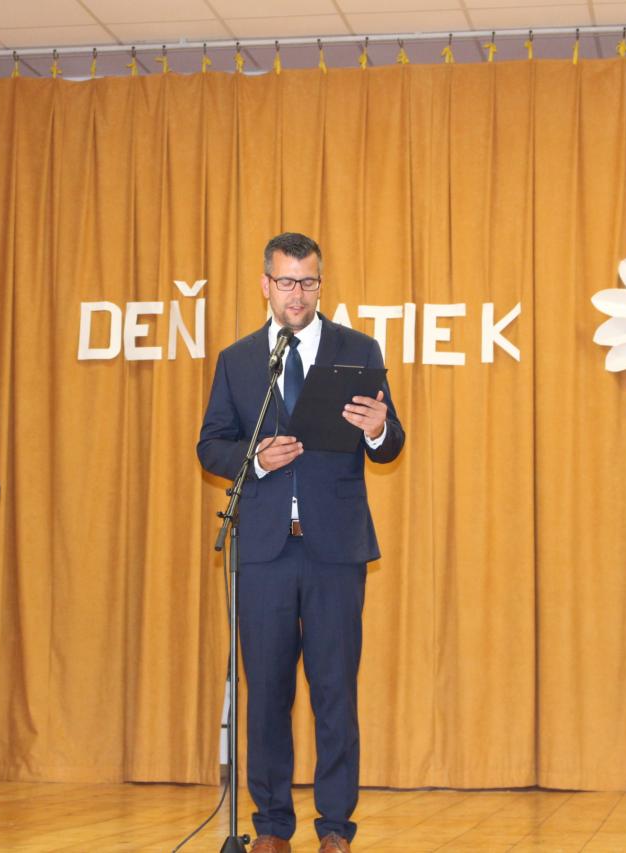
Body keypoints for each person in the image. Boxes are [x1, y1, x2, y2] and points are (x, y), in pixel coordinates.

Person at [197, 233, 404, 853]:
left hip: (334, 548)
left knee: (335, 688)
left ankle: (336, 827)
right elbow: (211, 444)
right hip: (264, 549)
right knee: (266, 693)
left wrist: (379, 429)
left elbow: (390, 443)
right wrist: (255, 460)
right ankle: (270, 826)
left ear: (321, 284)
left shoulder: (356, 348)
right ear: (266, 284)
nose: (298, 294)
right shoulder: (238, 359)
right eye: (287, 282)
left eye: (309, 282)